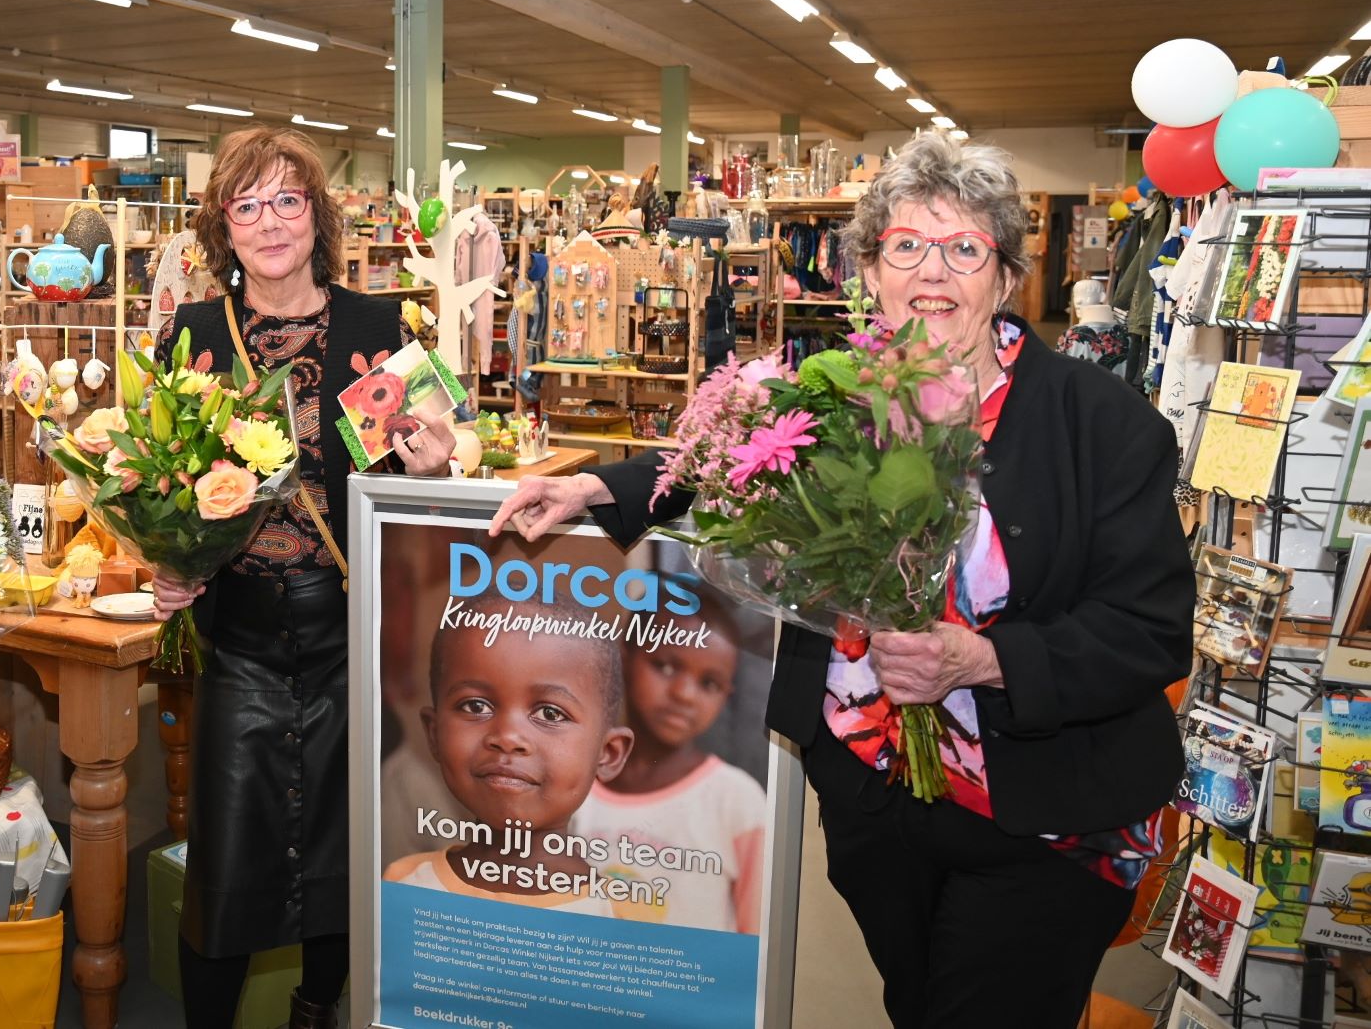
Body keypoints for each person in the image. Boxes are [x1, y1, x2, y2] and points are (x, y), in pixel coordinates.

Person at [491, 132, 1192, 1029]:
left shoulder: (1104, 424)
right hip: (871, 794)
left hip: (1041, 813)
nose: (932, 271)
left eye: (964, 248)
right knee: (916, 1005)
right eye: (905, 246)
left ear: (1006, 276)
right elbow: (728, 454)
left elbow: (1148, 630)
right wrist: (598, 487)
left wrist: (980, 660)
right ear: (868, 270)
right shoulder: (833, 394)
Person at [148, 126, 453, 1029]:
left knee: (342, 853)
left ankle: (316, 1010)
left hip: (354, 635)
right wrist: (166, 562)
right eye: (246, 205)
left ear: (316, 215)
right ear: (222, 227)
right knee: (224, 863)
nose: (269, 222)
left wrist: (436, 467)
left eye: (287, 200)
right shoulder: (192, 336)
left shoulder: (381, 327)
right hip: (238, 637)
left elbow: (425, 484)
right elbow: (156, 481)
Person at [384, 592, 634, 918]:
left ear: (608, 754)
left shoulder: (620, 916)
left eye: (550, 713)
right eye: (476, 706)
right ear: (435, 733)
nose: (507, 738)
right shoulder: (404, 886)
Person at [571, 601, 765, 933]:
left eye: (709, 684)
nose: (684, 694)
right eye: (665, 666)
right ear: (623, 658)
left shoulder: (737, 801)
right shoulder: (572, 782)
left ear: (726, 695)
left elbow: (757, 939)